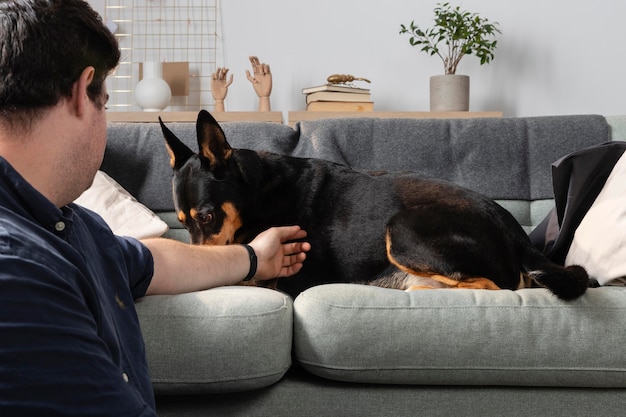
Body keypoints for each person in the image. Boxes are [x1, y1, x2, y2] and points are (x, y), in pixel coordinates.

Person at [0, 1, 310, 415]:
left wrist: (254, 257)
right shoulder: (18, 271)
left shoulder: (73, 225)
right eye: (105, 103)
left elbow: (150, 260)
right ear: (81, 91)